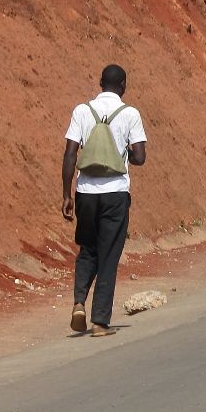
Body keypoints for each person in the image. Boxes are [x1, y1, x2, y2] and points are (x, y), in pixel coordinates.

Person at [61, 64, 147, 337]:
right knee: (108, 254)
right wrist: (124, 154)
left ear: (100, 83)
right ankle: (99, 321)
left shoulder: (82, 111)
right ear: (123, 86)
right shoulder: (130, 114)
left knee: (88, 249)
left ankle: (78, 303)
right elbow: (140, 157)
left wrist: (66, 194)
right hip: (115, 194)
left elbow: (70, 154)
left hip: (85, 192)